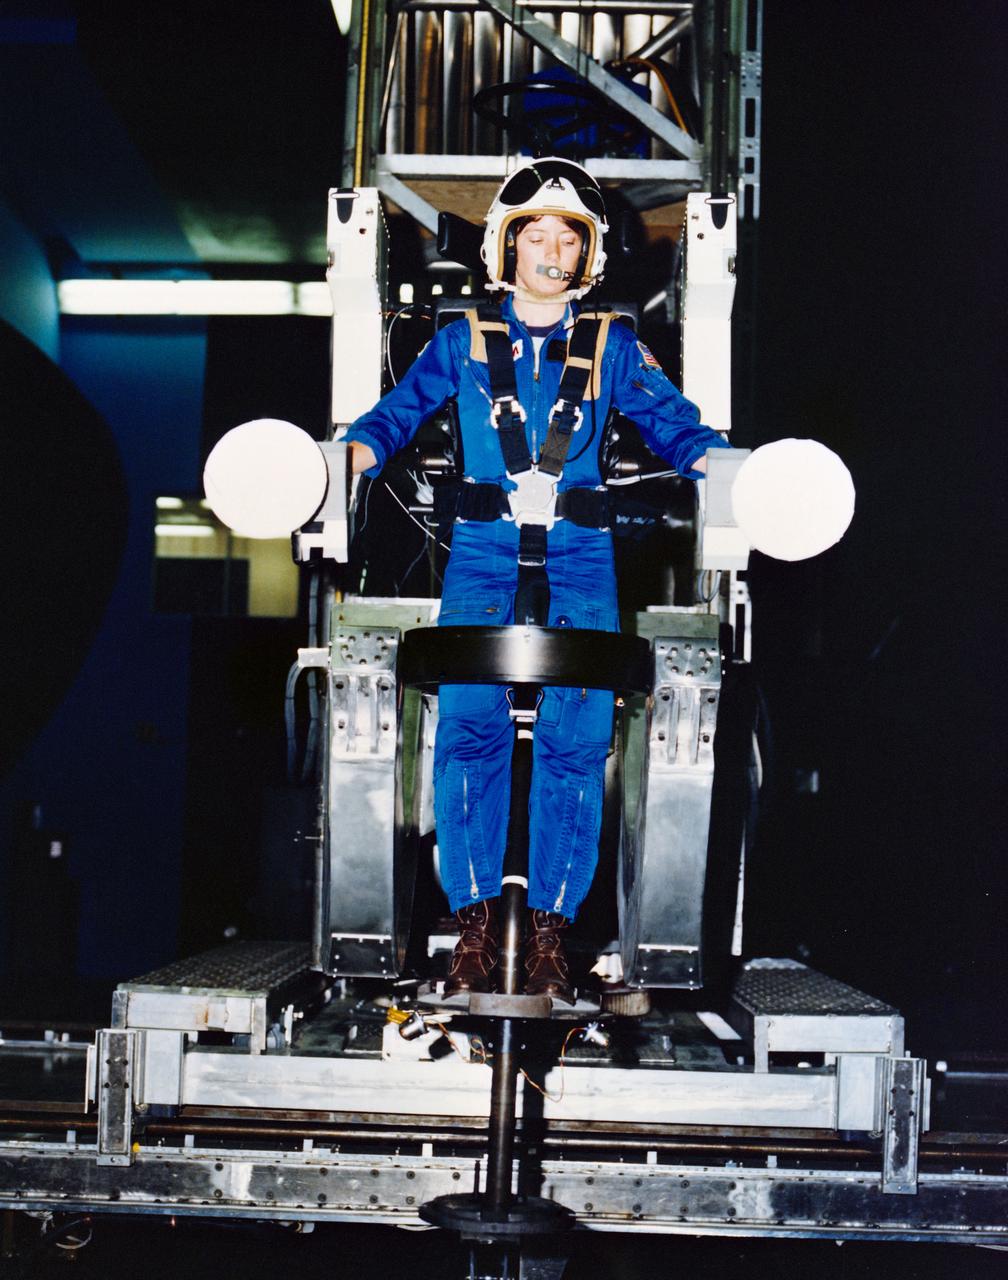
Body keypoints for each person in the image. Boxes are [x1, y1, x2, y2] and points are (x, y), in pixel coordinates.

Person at [343, 158, 729, 1002]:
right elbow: (394, 415)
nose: (550, 250)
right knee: (470, 729)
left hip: (583, 553)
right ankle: (476, 928)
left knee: (576, 739)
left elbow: (678, 429)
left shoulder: (614, 346)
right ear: (506, 248)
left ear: (586, 257)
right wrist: (346, 459)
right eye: (535, 235)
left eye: (567, 237)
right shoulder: (463, 342)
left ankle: (552, 932)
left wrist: (742, 476)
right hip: (480, 549)